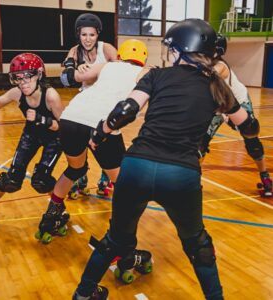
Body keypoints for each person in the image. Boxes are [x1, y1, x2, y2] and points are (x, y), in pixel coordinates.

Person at [72, 19, 261, 300]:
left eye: (171, 49)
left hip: (137, 165)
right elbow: (250, 127)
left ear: (180, 51)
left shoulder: (156, 76)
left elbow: (123, 111)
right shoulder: (217, 85)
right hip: (180, 173)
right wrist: (238, 123)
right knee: (199, 246)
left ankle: (83, 294)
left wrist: (100, 134)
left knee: (115, 239)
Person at [35, 39, 149, 243]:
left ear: (120, 55)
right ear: (144, 59)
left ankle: (51, 216)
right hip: (102, 124)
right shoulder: (145, 72)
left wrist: (72, 62)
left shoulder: (107, 65)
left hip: (70, 118)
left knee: (75, 169)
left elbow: (71, 78)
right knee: (123, 184)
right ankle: (118, 238)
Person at [0, 53, 63, 235]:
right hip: (31, 134)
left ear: (39, 75)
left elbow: (65, 128)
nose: (23, 83)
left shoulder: (51, 96)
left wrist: (42, 119)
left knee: (41, 180)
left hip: (54, 137)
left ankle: (58, 208)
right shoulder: (17, 93)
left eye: (27, 77)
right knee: (12, 179)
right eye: (18, 78)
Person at [198, 34, 272, 197]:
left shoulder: (220, 66)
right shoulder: (205, 63)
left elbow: (208, 76)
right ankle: (194, 181)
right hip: (218, 108)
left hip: (237, 103)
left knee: (251, 140)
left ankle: (266, 177)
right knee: (200, 143)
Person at [64, 12, 118, 197]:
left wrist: (97, 72)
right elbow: (66, 79)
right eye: (84, 34)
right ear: (78, 34)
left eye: (92, 35)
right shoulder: (74, 51)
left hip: (106, 104)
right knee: (82, 142)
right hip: (86, 103)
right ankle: (81, 178)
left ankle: (105, 179)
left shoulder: (107, 49)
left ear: (98, 35)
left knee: (105, 142)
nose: (87, 39)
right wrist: (75, 69)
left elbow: (121, 72)